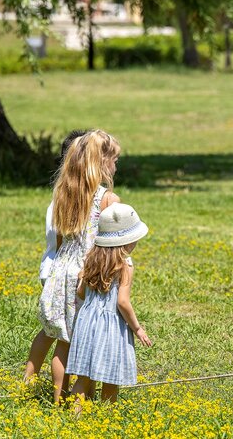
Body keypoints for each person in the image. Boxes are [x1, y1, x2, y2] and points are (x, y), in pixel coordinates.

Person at [38, 129, 121, 402]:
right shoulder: (108, 199)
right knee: (89, 339)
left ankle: (58, 401)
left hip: (63, 270)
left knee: (64, 341)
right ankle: (84, 397)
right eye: (114, 160)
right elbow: (112, 242)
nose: (116, 165)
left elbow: (60, 238)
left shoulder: (65, 192)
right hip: (89, 273)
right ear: (102, 162)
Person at [67, 203, 152, 410]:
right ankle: (108, 415)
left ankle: (73, 418)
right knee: (111, 378)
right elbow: (122, 301)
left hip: (86, 322)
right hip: (111, 326)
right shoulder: (125, 265)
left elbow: (81, 292)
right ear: (128, 241)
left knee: (83, 377)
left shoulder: (90, 258)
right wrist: (137, 328)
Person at [23, 129, 87, 383]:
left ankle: (29, 378)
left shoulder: (61, 192)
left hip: (50, 269)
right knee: (65, 336)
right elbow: (64, 240)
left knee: (50, 331)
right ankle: (61, 391)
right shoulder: (70, 197)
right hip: (60, 272)